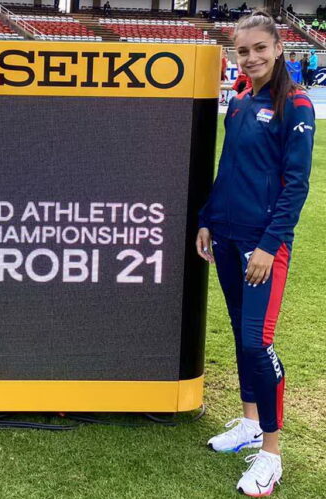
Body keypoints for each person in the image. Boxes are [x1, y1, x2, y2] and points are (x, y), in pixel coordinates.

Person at [197, 10, 314, 497]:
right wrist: (207, 217)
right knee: (240, 332)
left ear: (279, 48)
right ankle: (248, 423)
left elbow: (296, 185)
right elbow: (228, 167)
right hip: (226, 236)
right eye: (242, 51)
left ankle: (271, 453)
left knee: (255, 343)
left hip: (262, 244)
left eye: (260, 48)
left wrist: (269, 244)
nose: (251, 58)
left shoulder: (297, 104)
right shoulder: (241, 101)